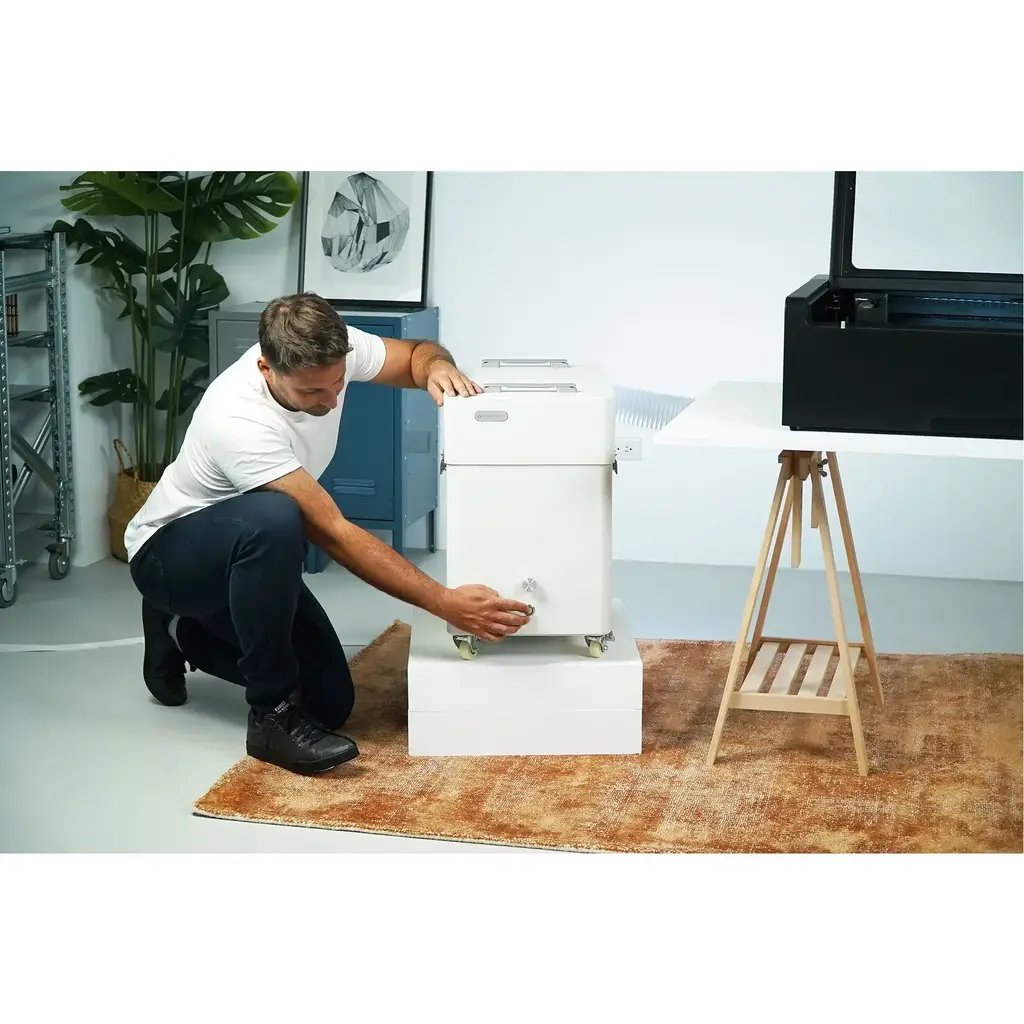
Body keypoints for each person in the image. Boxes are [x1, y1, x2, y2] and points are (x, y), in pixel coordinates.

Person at [125, 293, 533, 776]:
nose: (332, 400)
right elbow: (333, 532)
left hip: (247, 556)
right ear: (266, 368)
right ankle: (269, 718)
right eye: (312, 392)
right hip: (169, 554)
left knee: (329, 703)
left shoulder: (334, 349)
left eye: (338, 382)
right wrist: (445, 602)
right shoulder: (236, 420)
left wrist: (436, 367)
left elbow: (415, 354)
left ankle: (180, 632)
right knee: (278, 518)